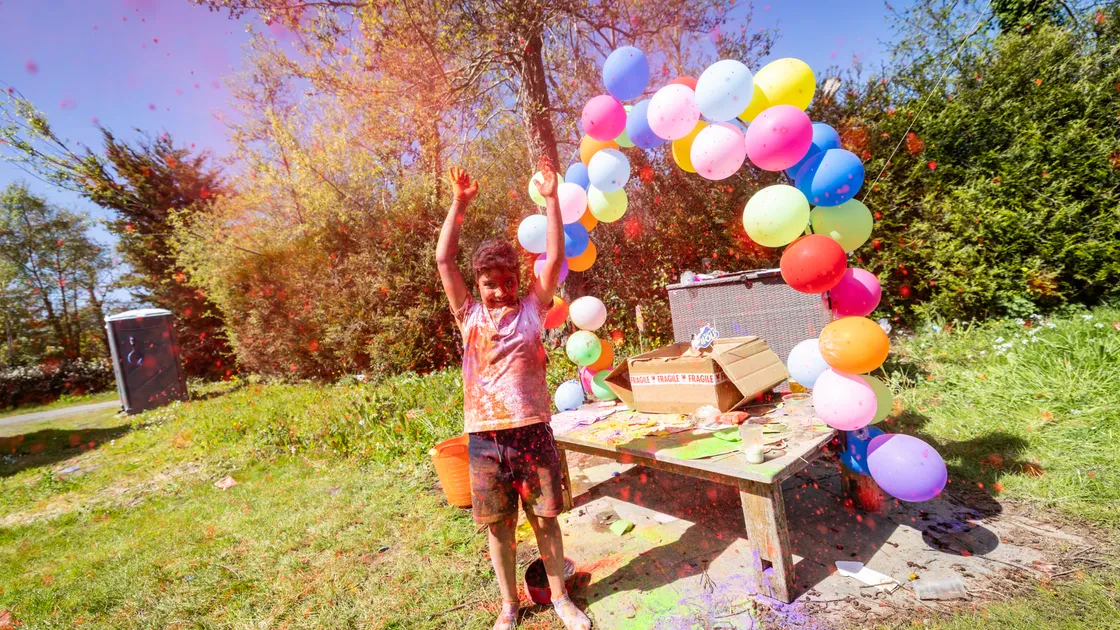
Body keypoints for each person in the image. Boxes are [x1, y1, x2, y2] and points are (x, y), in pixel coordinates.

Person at [435, 157, 592, 630]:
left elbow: (558, 256)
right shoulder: (469, 317)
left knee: (545, 519)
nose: (499, 292)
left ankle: (560, 598)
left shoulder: (532, 308)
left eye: (507, 283)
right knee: (499, 529)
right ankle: (509, 605)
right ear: (477, 286)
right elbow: (444, 259)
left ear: (517, 282)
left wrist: (549, 200)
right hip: (485, 441)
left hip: (532, 433)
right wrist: (459, 205)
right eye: (489, 285)